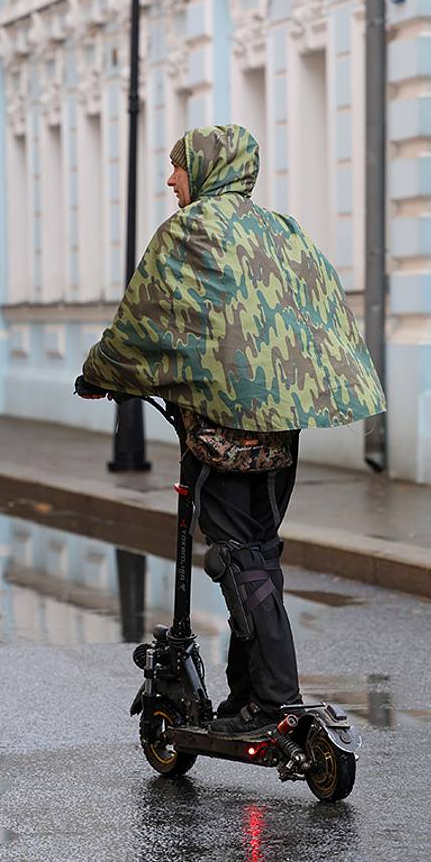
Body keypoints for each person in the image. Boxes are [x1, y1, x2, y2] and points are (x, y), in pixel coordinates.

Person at [76, 125, 385, 738]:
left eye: (177, 167)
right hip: (282, 432)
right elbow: (315, 313)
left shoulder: (188, 233)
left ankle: (275, 701)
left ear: (205, 169)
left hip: (223, 434)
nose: (170, 179)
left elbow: (143, 323)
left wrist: (98, 375)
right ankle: (248, 698)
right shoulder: (281, 231)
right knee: (259, 554)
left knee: (238, 558)